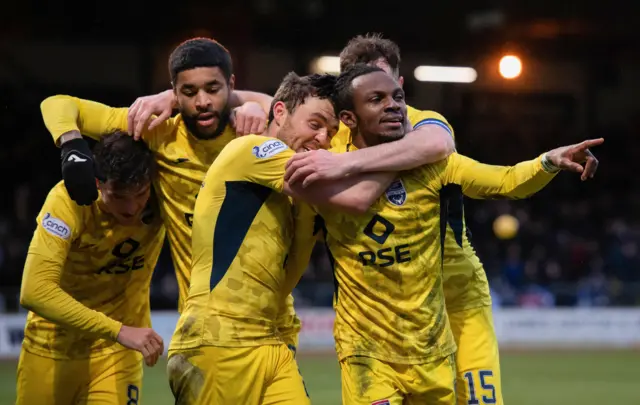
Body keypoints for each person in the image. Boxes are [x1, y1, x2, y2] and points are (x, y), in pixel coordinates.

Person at [283, 34, 599, 405]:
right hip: (369, 329)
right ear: (346, 105)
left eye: (393, 93)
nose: (389, 104)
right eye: (372, 93)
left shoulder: (426, 132)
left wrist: (547, 161)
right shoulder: (326, 146)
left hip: (454, 296)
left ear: (401, 86)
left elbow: (502, 178)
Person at [39, 37, 301, 349]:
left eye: (213, 89)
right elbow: (57, 104)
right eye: (188, 92)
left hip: (275, 323)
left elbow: (298, 116)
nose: (202, 101)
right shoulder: (157, 132)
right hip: (206, 329)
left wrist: (250, 102)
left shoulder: (257, 130)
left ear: (230, 84)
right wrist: (71, 145)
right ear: (174, 92)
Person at [166, 72, 398, 404]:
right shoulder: (254, 148)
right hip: (218, 340)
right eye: (314, 124)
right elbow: (358, 197)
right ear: (279, 113)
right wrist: (399, 149)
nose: (322, 138)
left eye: (330, 133)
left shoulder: (299, 199)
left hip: (270, 342)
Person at [16, 131, 165, 405]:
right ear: (98, 183)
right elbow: (33, 291)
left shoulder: (163, 195)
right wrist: (119, 330)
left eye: (141, 193)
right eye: (119, 196)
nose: (132, 208)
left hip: (117, 354)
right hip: (51, 349)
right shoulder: (68, 200)